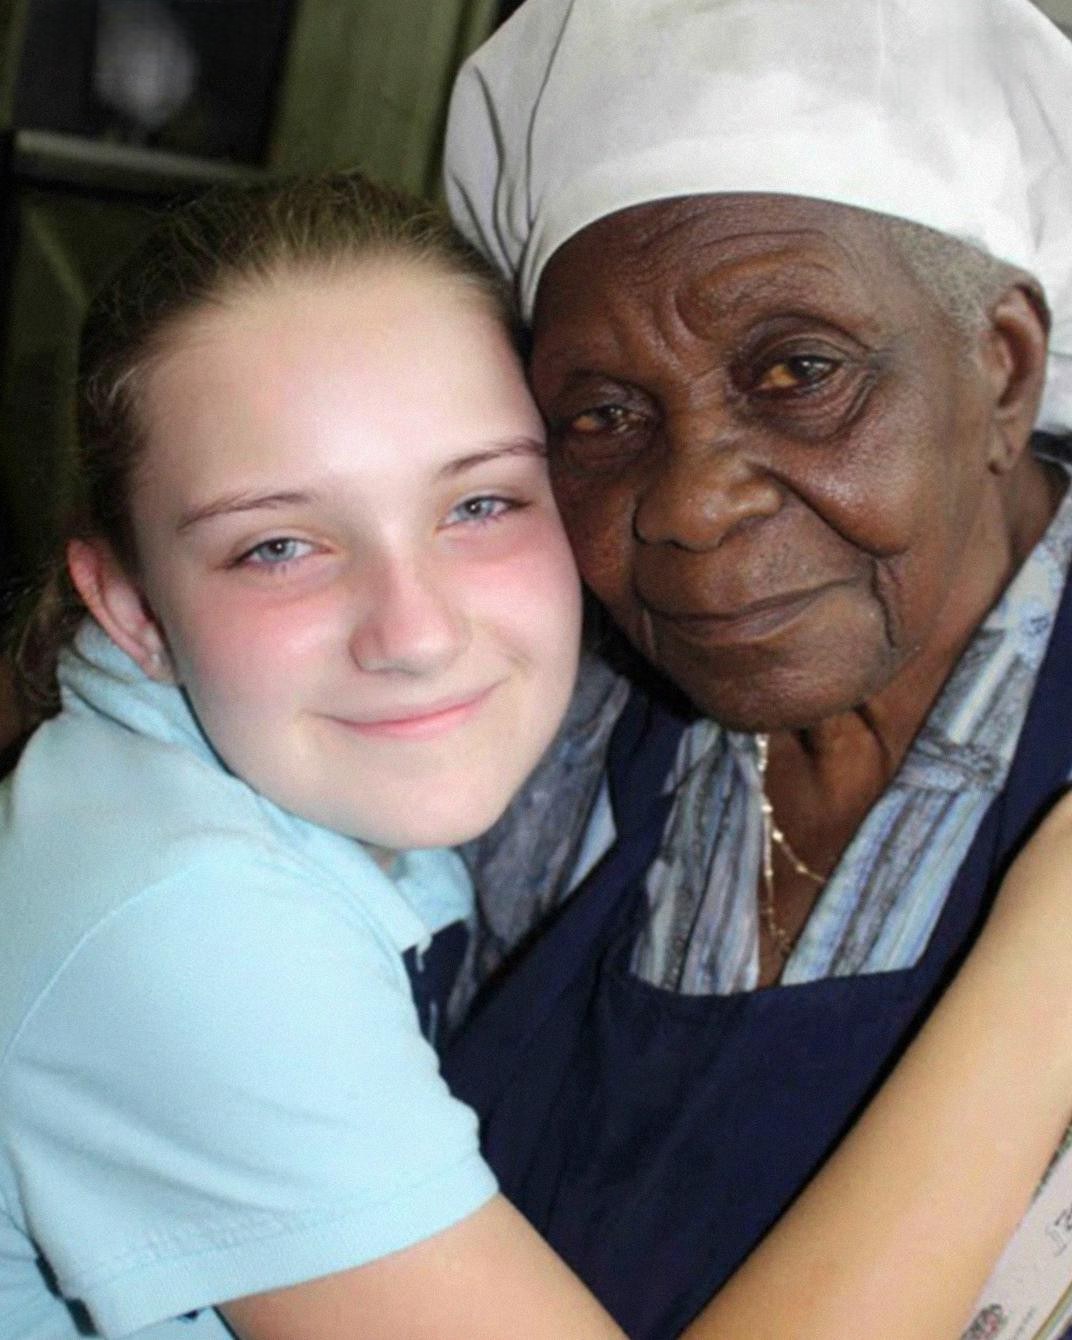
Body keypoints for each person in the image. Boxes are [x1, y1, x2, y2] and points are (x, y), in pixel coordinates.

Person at [3, 168, 1072, 1340]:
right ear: (129, 604)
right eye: (277, 545)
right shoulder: (181, 917)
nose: (414, 633)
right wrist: (1043, 970)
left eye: (479, 505)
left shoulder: (268, 805)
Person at [440, 0, 1072, 1334]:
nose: (691, 504)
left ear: (1003, 374)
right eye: (603, 414)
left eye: (797, 370)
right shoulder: (535, 723)